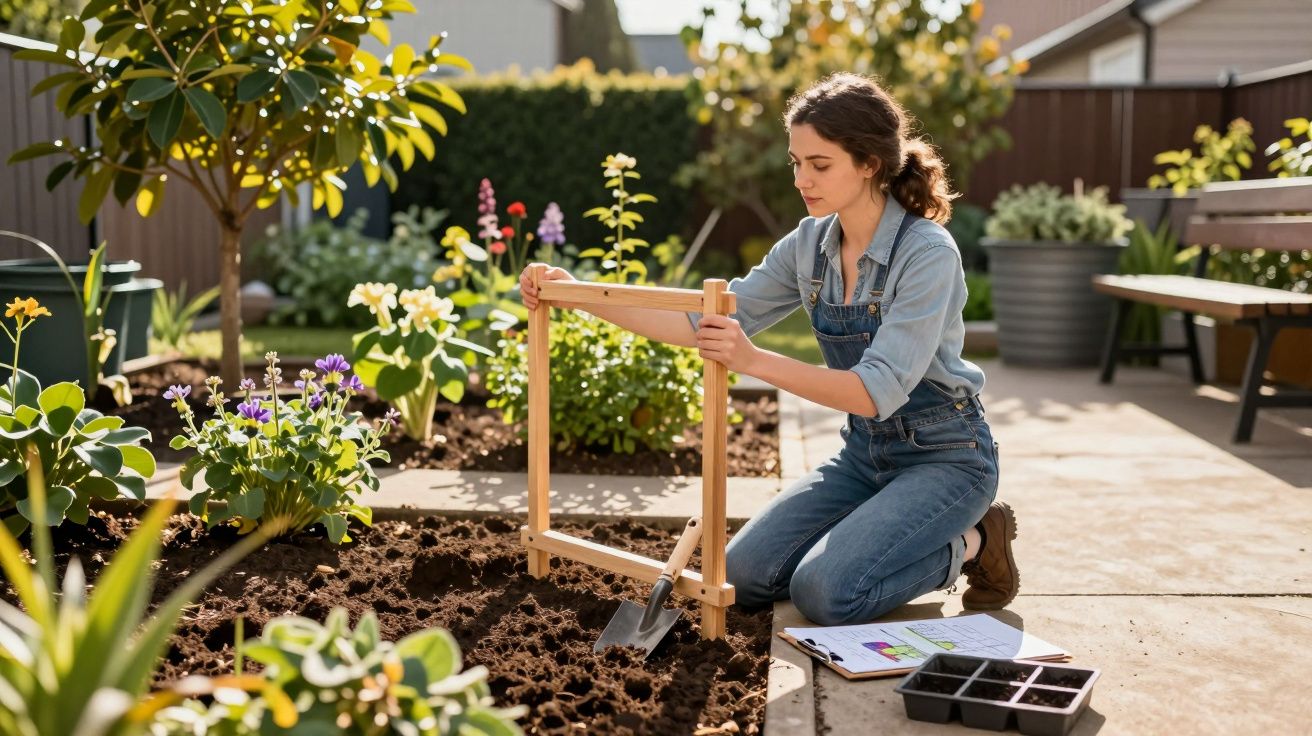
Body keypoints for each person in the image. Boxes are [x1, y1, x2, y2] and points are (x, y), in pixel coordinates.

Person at [519, 72, 1018, 626]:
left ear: (870, 163)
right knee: (741, 577)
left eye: (819, 164)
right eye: (796, 162)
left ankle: (974, 541)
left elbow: (875, 391)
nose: (802, 179)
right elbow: (701, 320)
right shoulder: (808, 246)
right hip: (864, 456)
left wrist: (753, 361)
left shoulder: (927, 253)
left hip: (945, 458)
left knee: (826, 593)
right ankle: (874, 533)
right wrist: (579, 295)